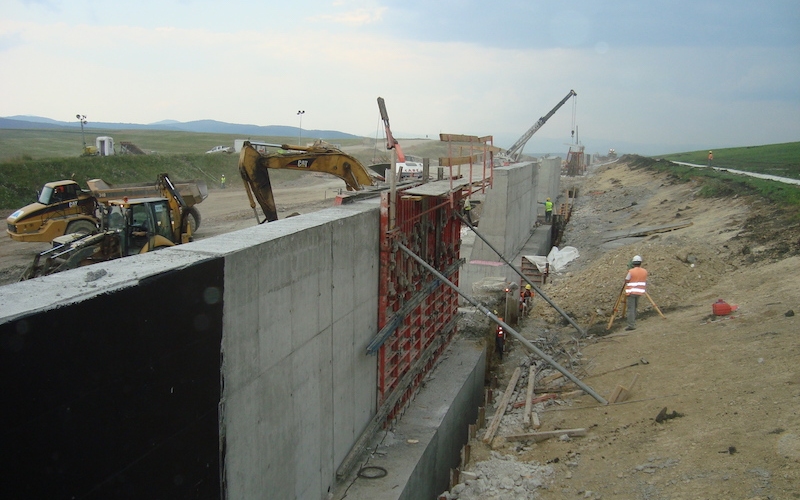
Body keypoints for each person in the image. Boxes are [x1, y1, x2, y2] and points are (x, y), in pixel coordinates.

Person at [624, 255, 648, 330]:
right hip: (640, 292)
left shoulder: (631, 271)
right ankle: (633, 322)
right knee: (635, 308)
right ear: (640, 263)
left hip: (631, 292)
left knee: (631, 309)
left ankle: (631, 325)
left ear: (633, 263)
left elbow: (627, 280)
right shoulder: (644, 271)